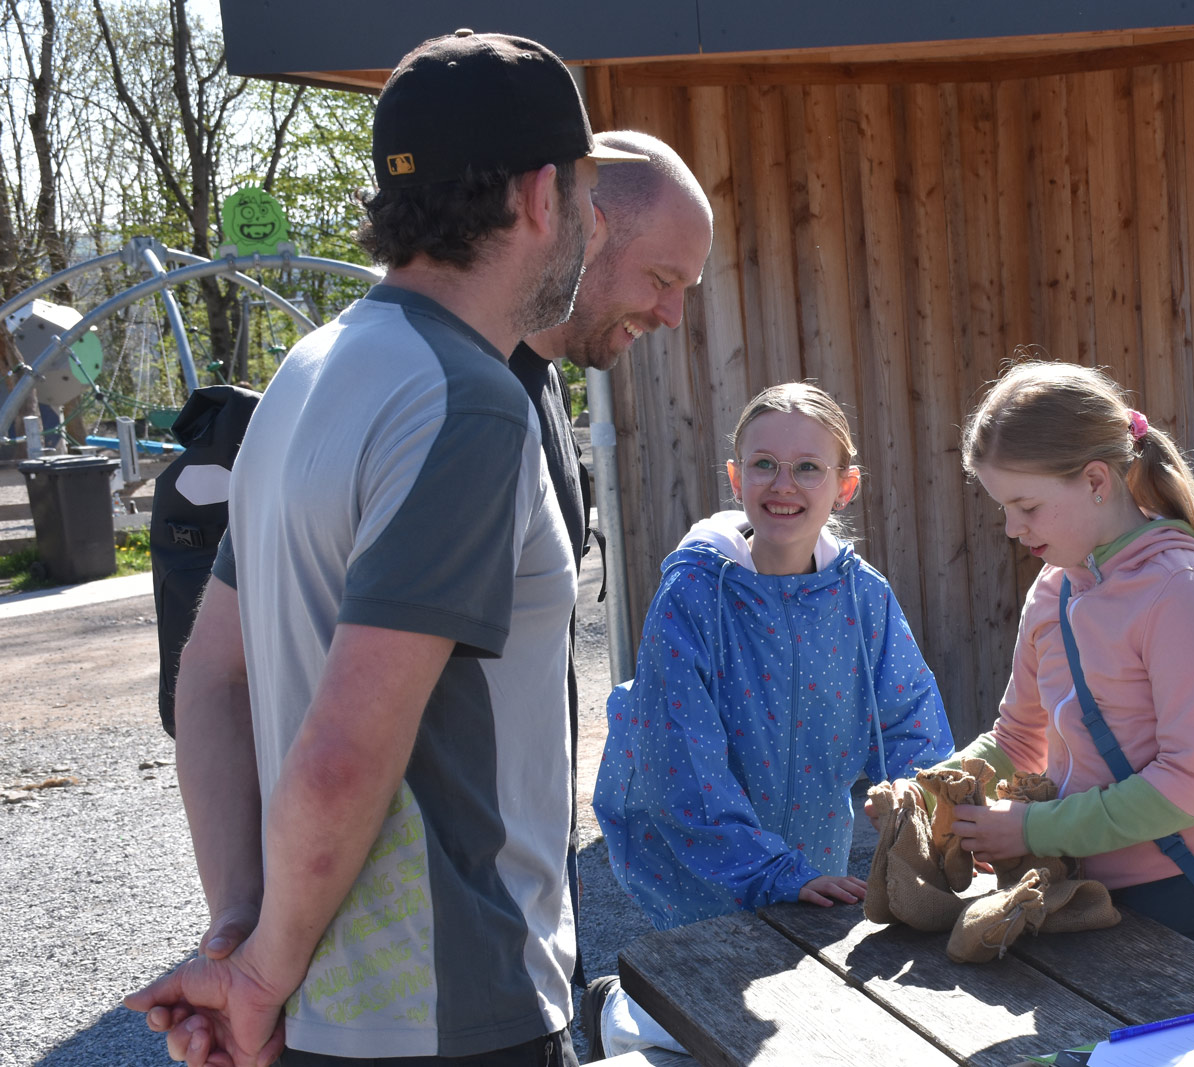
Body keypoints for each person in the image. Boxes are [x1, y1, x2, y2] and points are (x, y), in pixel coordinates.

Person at [123, 30, 647, 1067]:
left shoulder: (309, 371)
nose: (593, 230)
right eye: (589, 199)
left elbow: (210, 679)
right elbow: (342, 752)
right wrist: (259, 974)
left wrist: (244, 937)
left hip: (334, 1019)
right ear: (539, 196)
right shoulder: (469, 402)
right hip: (460, 1016)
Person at [584, 382, 954, 1059]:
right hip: (699, 854)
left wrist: (928, 818)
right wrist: (771, 869)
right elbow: (681, 760)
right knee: (714, 1016)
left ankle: (633, 1010)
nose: (784, 485)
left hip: (813, 852)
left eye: (808, 467)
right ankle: (619, 1011)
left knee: (797, 1014)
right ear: (736, 477)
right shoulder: (693, 594)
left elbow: (910, 719)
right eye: (764, 465)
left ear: (845, 485)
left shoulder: (864, 595)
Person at [903, 359, 1194, 948]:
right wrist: (923, 796)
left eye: (1026, 506)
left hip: (1188, 893)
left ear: (1097, 480)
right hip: (1079, 887)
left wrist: (1033, 830)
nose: (1011, 528)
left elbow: (1190, 784)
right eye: (1002, 507)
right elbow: (1019, 740)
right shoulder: (1053, 587)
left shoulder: (1183, 592)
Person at [504, 130, 713, 994]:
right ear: (587, 229)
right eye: (662, 278)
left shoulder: (544, 382)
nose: (672, 314)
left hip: (532, 893)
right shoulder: (472, 401)